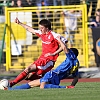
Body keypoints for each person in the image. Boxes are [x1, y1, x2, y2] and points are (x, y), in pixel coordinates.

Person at [9, 18, 67, 87]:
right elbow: (30, 29)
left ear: (47, 28)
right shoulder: (41, 33)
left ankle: (11, 84)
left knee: (28, 69)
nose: (40, 29)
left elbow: (64, 44)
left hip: (49, 60)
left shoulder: (54, 35)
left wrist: (54, 53)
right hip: (42, 59)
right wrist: (20, 23)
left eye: (42, 28)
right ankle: (47, 80)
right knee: (29, 76)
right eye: (40, 28)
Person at [7, 36, 79, 90]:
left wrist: (59, 40)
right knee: (31, 84)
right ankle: (9, 89)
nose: (67, 52)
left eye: (69, 51)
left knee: (42, 86)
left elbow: (64, 48)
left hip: (53, 74)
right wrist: (72, 85)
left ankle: (65, 87)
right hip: (56, 79)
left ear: (72, 53)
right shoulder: (76, 63)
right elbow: (76, 77)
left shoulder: (71, 57)